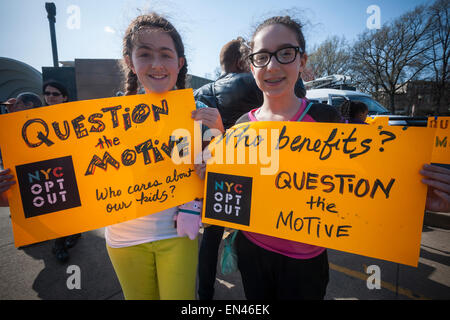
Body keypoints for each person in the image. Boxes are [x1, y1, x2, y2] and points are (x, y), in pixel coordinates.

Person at [225, 15, 450, 300]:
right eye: (262, 57)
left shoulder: (326, 120)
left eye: (285, 53)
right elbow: (234, 188)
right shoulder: (243, 125)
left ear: (302, 61)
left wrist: (414, 198)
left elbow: (362, 182)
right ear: (251, 65)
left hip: (306, 259)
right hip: (252, 250)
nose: (272, 65)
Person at [105, 12, 224, 300]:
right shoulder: (106, 119)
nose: (157, 65)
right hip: (123, 237)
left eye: (166, 55)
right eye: (145, 54)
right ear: (129, 62)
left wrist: (220, 138)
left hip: (177, 235)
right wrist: (17, 189)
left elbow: (224, 180)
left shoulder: (201, 114)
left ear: (179, 63)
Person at [195, 37, 307, 300]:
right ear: (240, 62)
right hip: (259, 176)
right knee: (263, 241)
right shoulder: (253, 83)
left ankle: (204, 296)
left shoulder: (201, 93)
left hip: (217, 176)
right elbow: (296, 96)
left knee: (210, 240)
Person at [41, 80, 82, 263]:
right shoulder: (35, 117)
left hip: (71, 166)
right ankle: (59, 244)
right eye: (47, 93)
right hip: (49, 170)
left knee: (74, 206)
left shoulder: (73, 116)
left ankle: (75, 232)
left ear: (64, 97)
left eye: (55, 94)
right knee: (56, 208)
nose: (50, 96)